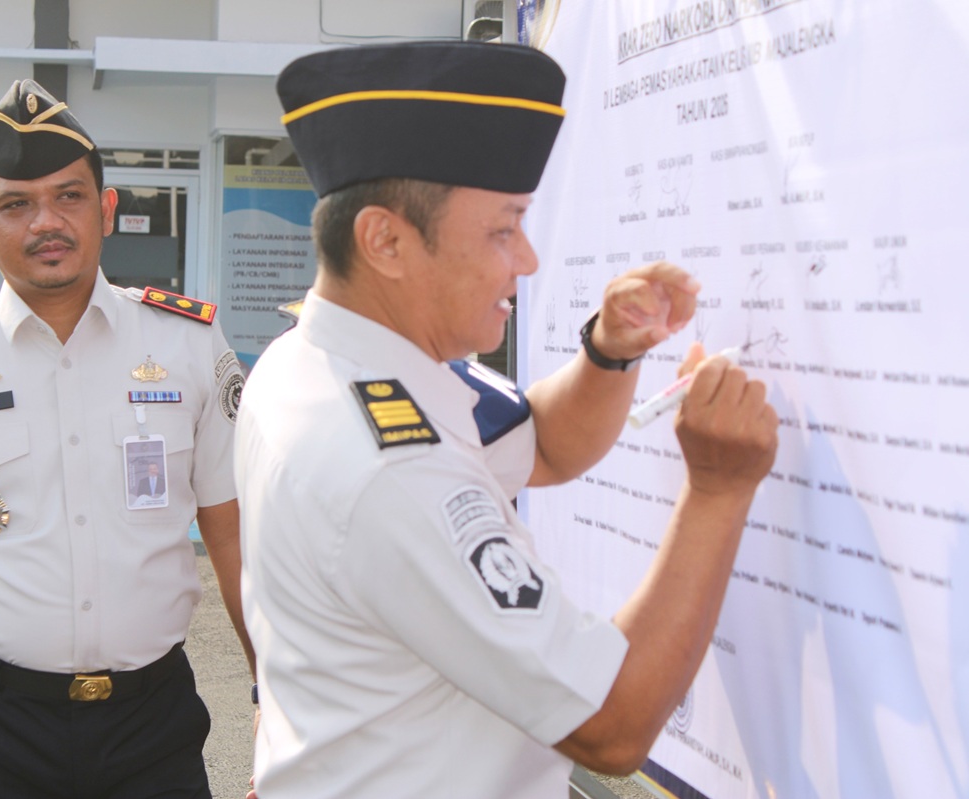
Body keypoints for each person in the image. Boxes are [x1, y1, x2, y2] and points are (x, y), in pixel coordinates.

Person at [235, 41, 778, 798]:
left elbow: (543, 446)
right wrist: (719, 491)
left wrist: (607, 354)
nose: (526, 259)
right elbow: (612, 724)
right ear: (385, 241)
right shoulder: (391, 465)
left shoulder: (326, 361)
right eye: (502, 229)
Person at [0, 79, 254, 799]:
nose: (47, 222)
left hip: (153, 725)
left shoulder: (187, 343)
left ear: (107, 209)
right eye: (16, 204)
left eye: (69, 197)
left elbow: (236, 537)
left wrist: (278, 701)